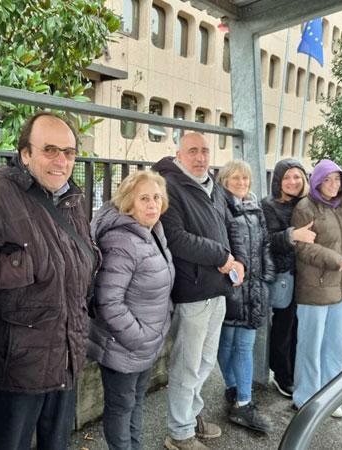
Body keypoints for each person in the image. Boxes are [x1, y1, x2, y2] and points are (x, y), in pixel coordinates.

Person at [0, 112, 98, 450]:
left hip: (66, 352)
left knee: (57, 443)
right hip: (19, 360)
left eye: (69, 152)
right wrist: (24, 265)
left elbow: (79, 251)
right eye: (49, 150)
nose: (61, 160)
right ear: (25, 153)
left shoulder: (71, 196)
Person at [153, 132, 245, 450]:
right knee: (186, 364)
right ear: (178, 153)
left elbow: (224, 229)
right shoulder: (170, 185)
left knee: (205, 361)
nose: (200, 157)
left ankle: (191, 416)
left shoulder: (212, 186)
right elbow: (175, 237)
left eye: (205, 150)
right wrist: (222, 257)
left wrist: (236, 262)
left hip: (217, 287)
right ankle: (180, 432)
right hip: (192, 290)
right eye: (193, 150)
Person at [88, 170, 174, 450]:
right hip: (124, 346)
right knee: (121, 409)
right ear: (128, 203)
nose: (152, 205)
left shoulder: (153, 233)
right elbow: (109, 301)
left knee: (135, 405)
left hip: (145, 344)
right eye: (144, 198)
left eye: (157, 198)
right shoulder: (122, 241)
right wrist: (139, 337)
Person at [290, 159, 342, 417]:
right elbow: (303, 247)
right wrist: (335, 260)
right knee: (310, 346)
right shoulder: (305, 208)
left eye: (337, 179)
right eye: (326, 179)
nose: (332, 184)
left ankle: (332, 395)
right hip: (315, 288)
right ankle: (306, 397)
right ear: (316, 181)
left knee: (337, 346)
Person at [215, 161, 275, 433]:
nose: (241, 182)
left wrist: (266, 277)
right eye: (235, 177)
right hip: (232, 287)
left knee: (243, 345)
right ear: (225, 180)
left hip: (254, 288)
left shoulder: (254, 207)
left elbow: (265, 244)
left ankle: (244, 401)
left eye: (245, 178)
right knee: (226, 343)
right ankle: (233, 387)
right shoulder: (219, 207)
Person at [260, 159, 314, 397]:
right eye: (287, 177)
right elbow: (266, 240)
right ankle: (282, 375)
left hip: (307, 274)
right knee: (284, 327)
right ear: (278, 181)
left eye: (297, 177)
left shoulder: (307, 204)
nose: (293, 182)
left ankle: (295, 371)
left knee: (301, 328)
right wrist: (293, 235)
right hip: (285, 274)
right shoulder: (269, 206)